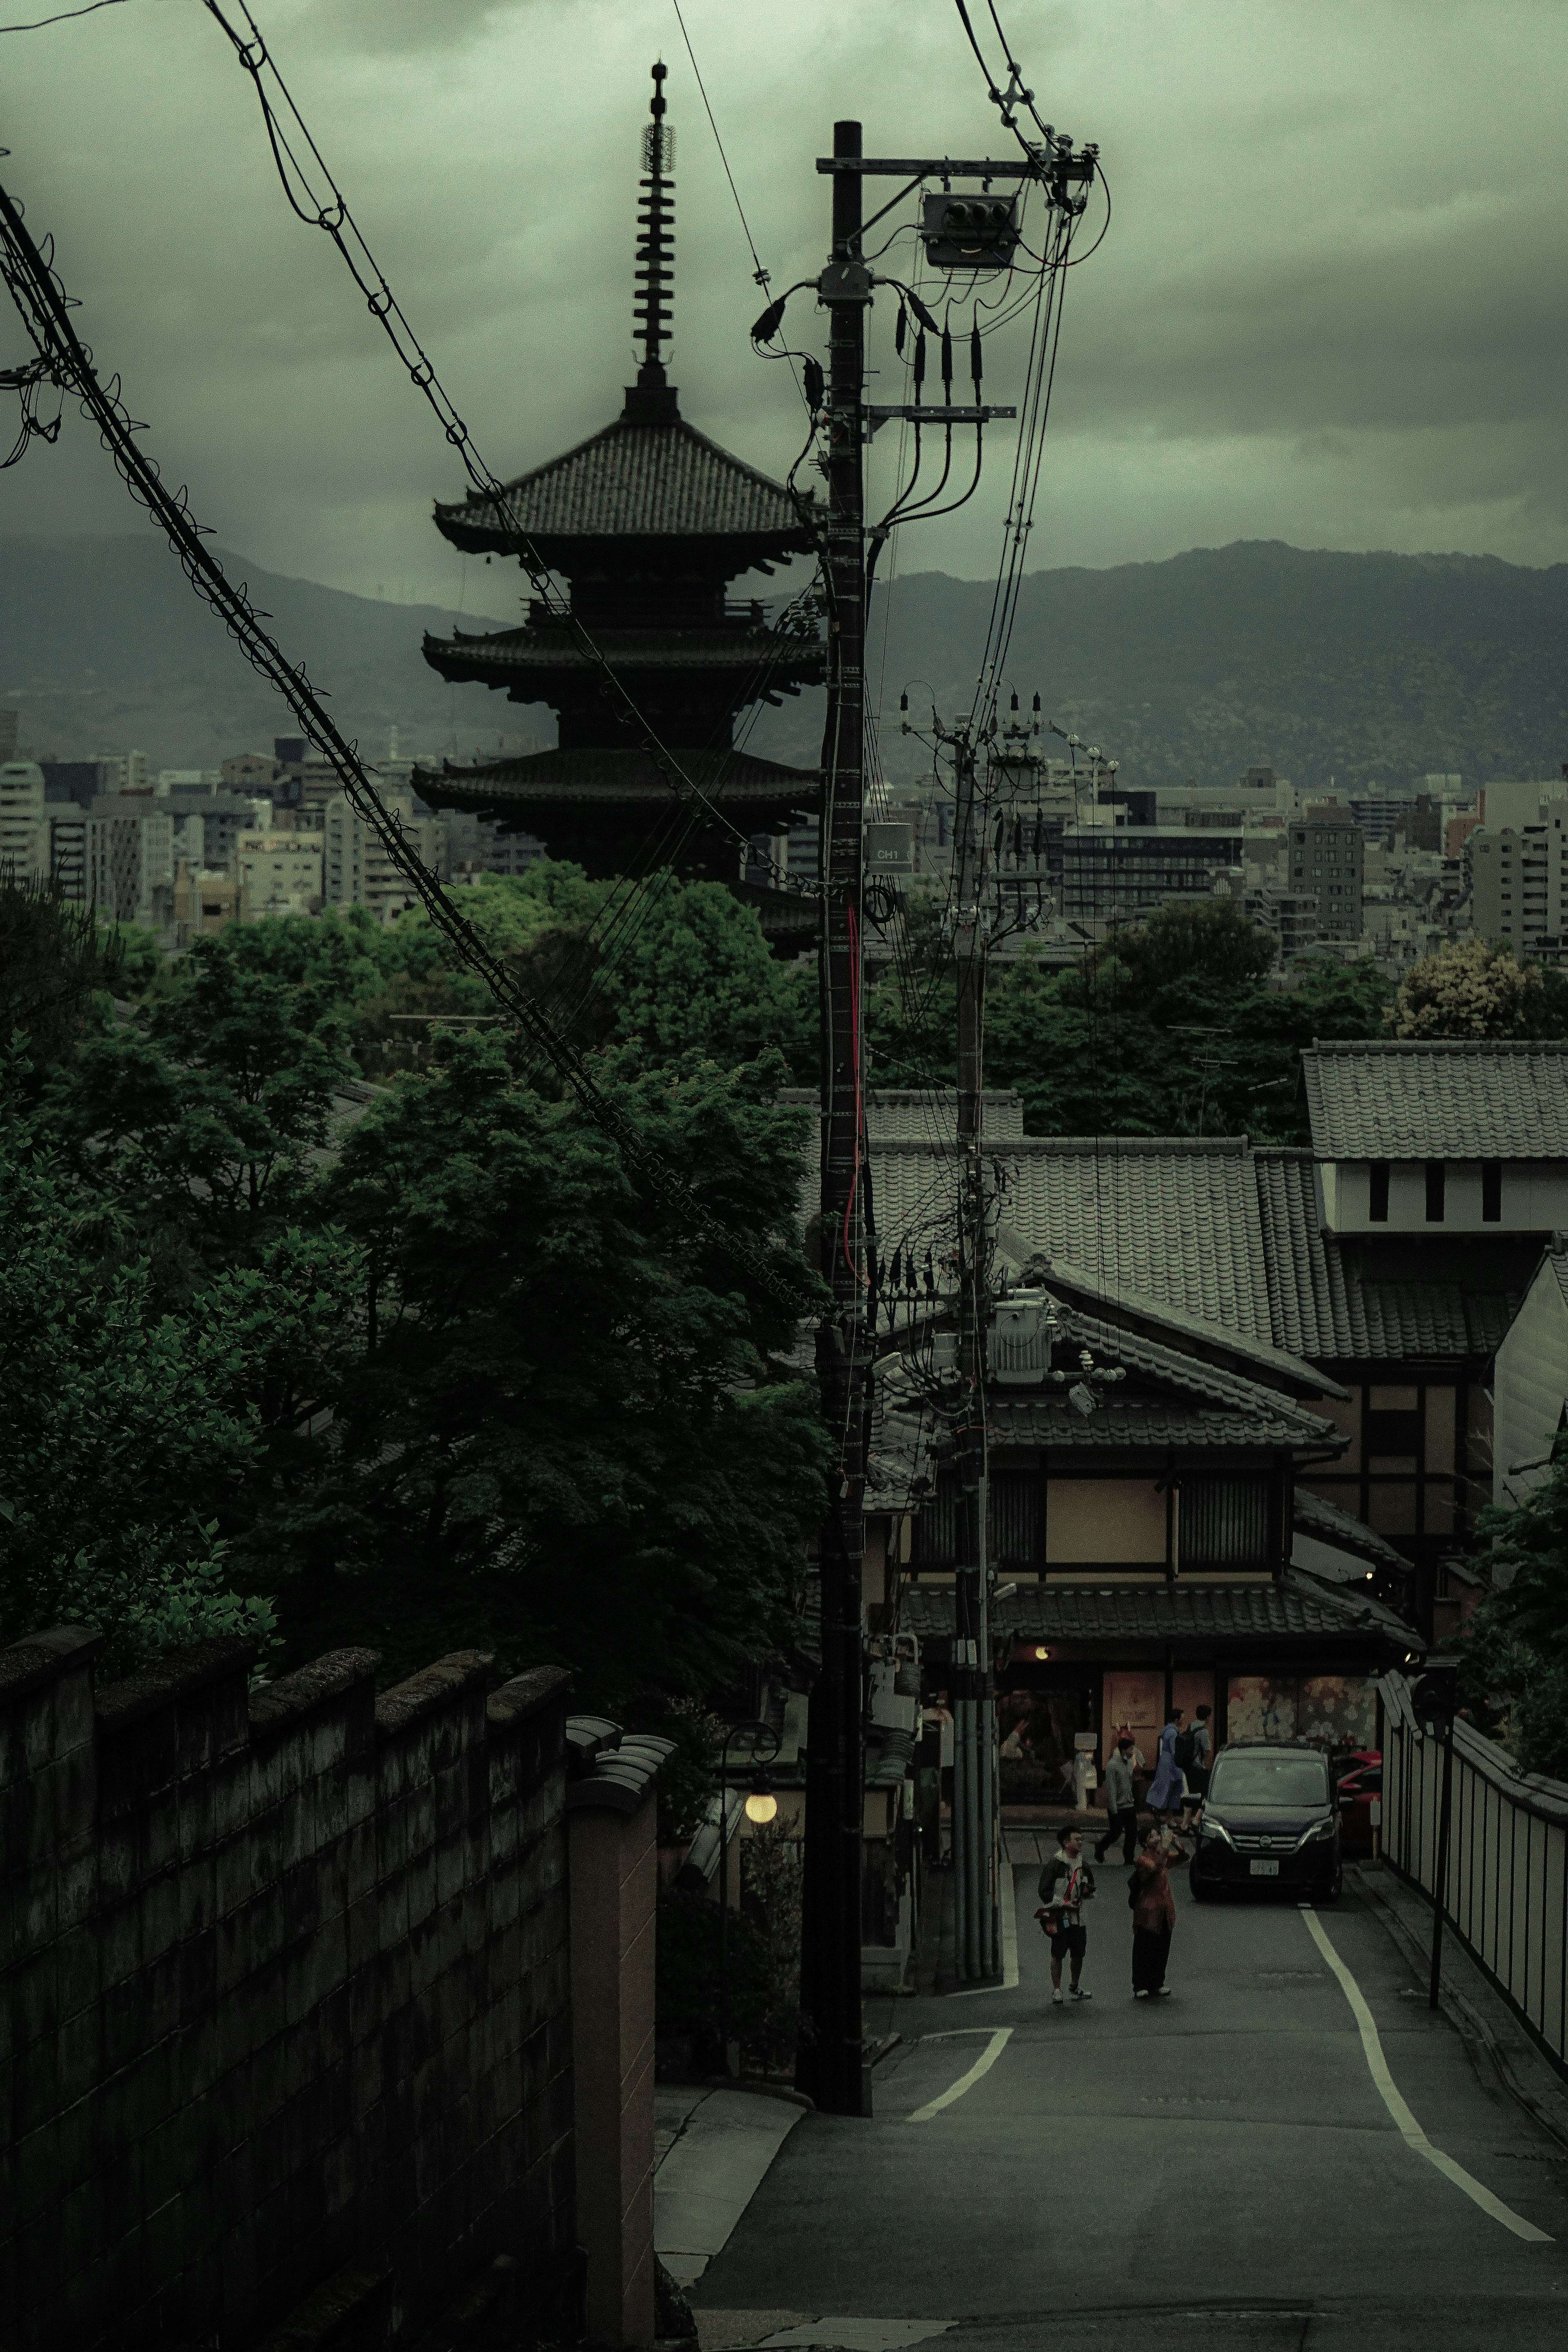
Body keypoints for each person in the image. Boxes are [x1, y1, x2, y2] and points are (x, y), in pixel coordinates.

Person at [1036, 1828, 1096, 2005]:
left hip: (1079, 1917)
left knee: (1079, 1953)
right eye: (1076, 1839)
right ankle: (1057, 1989)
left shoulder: (1083, 1865)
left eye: (1081, 1839)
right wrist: (1063, 1903)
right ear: (1066, 1843)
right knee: (1058, 1952)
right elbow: (1044, 1892)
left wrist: (1087, 1890)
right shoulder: (1055, 1865)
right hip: (1061, 1917)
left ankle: (1075, 1985)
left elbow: (1091, 1885)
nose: (1080, 1843)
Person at [1130, 1823, 1188, 1998]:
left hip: (1165, 1908)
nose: (1157, 1838)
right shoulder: (1143, 1860)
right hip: (1148, 1909)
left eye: (1158, 1835)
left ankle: (1158, 1982)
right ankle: (1140, 1984)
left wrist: (1176, 1843)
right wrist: (1164, 1847)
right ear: (1145, 1843)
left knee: (1162, 1948)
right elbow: (1154, 1869)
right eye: (1153, 1836)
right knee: (1144, 1948)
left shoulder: (1161, 1855)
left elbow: (1183, 1857)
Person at [1095, 1734, 1140, 1864]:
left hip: (1129, 1805)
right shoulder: (1112, 1766)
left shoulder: (1129, 1763)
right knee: (1116, 1832)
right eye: (1131, 1749)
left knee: (1132, 1834)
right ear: (1123, 1750)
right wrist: (1113, 1809)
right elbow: (1111, 1788)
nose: (1133, 1752)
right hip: (1118, 1806)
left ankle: (1129, 1859)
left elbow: (1129, 1784)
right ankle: (1101, 1847)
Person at [1178, 1706, 1214, 1832]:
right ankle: (1196, 1820)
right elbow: (1207, 1751)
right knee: (1207, 1795)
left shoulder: (1190, 1727)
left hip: (1188, 1767)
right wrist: (1207, 1768)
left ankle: (1184, 1824)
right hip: (1198, 1768)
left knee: (1192, 1795)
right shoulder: (1203, 1731)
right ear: (1208, 1717)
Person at [1146, 1708, 1185, 1817]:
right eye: (1182, 1719)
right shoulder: (1173, 1733)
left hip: (1166, 1762)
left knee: (1166, 1788)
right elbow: (1175, 1751)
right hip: (1172, 1765)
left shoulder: (1167, 1731)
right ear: (1177, 1720)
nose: (1183, 1721)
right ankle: (1162, 1812)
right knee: (1171, 1789)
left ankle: (1166, 1815)